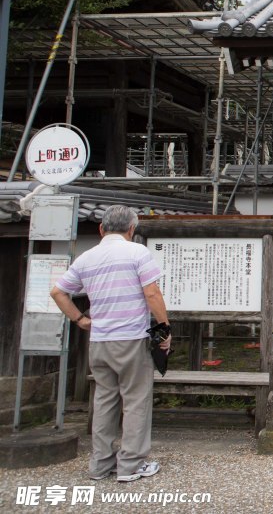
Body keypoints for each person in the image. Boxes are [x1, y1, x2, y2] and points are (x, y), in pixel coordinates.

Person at [50, 205, 171, 483]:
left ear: (101, 229)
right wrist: (164, 328)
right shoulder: (137, 252)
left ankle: (100, 465)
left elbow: (58, 292)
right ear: (132, 229)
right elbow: (151, 292)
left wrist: (80, 320)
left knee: (104, 400)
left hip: (100, 340)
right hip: (131, 339)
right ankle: (130, 464)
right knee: (136, 400)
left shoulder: (86, 258)